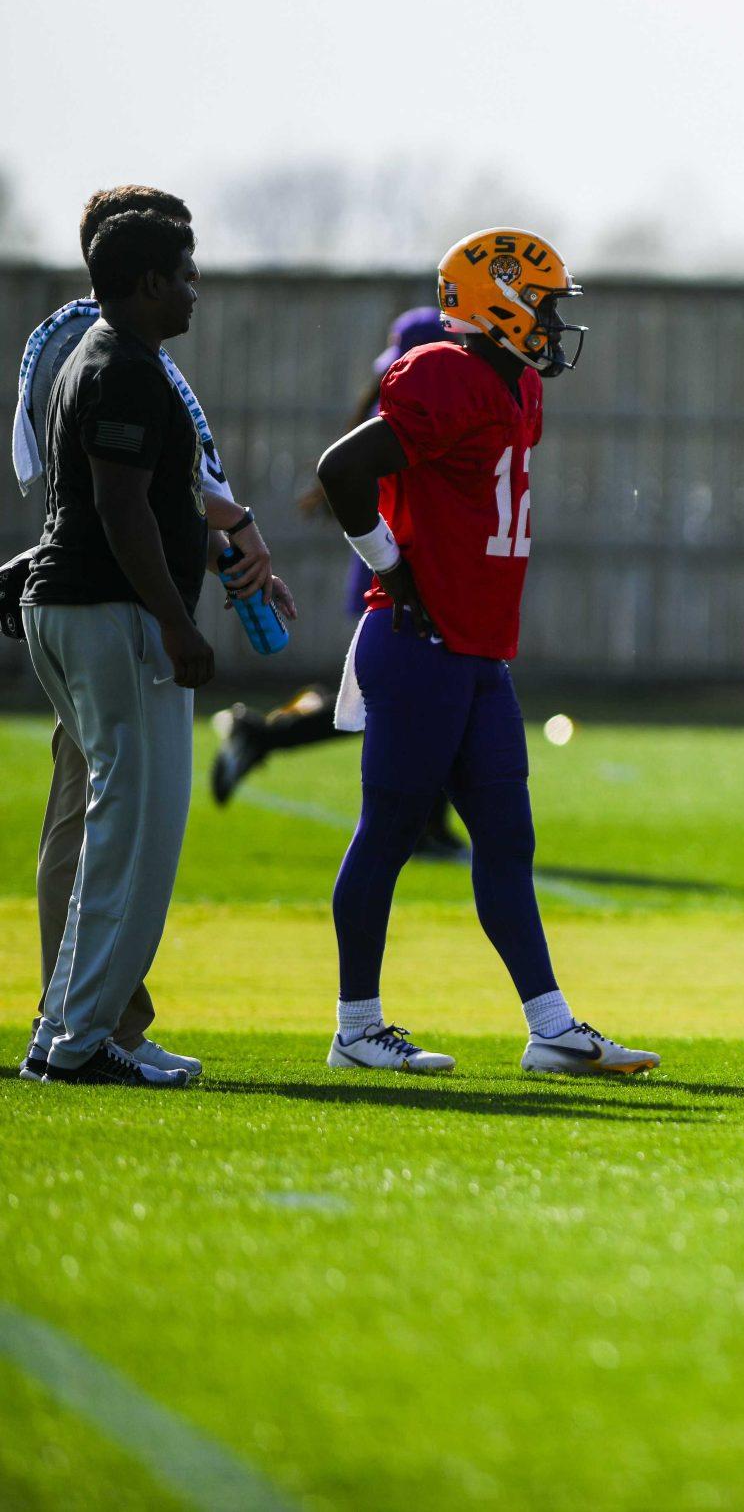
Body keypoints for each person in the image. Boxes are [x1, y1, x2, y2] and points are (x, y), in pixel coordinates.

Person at [312, 229, 657, 1076]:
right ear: (499, 300)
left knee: (508, 838)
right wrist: (393, 567)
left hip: (476, 648)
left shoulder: (518, 388)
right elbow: (340, 468)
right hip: (418, 640)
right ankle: (355, 1028)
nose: (551, 322)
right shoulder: (442, 372)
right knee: (388, 831)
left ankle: (549, 1027)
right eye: (542, 303)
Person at [14, 188, 293, 1085]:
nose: (196, 289)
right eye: (182, 275)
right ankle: (86, 1039)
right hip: (113, 617)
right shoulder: (124, 367)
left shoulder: (113, 355)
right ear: (142, 284)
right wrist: (177, 622)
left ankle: (68, 1027)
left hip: (85, 613)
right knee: (132, 837)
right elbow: (120, 506)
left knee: (114, 831)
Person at [209, 306, 467, 858]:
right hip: (401, 568)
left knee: (410, 694)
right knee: (413, 694)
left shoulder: (390, 400)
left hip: (389, 562)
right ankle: (416, 823)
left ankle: (424, 822)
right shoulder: (419, 404)